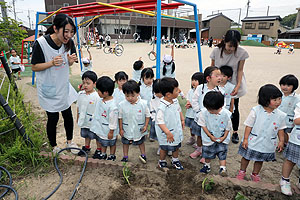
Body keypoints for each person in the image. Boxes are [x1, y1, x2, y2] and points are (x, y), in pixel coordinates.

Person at [31, 13, 79, 154]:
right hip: (48, 87)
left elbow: (69, 64)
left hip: (63, 85)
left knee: (68, 114)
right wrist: (51, 63)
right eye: (66, 31)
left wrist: (70, 61)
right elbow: (34, 67)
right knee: (53, 117)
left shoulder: (69, 43)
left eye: (71, 32)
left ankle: (70, 142)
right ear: (55, 28)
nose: (69, 35)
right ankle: (54, 147)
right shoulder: (41, 43)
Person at [236, 84, 285, 182]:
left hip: (267, 142)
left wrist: (281, 141)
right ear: (265, 100)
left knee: (260, 160)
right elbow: (248, 125)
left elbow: (281, 129)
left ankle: (255, 174)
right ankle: (242, 171)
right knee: (246, 157)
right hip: (253, 140)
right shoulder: (256, 111)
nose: (278, 102)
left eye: (280, 99)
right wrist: (245, 139)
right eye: (275, 100)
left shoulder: (280, 115)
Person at [210, 30, 249, 144]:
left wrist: (237, 85)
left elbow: (240, 70)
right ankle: (216, 129)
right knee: (217, 105)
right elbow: (212, 68)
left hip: (233, 82)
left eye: (234, 46)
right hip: (218, 82)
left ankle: (235, 132)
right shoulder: (216, 51)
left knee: (234, 107)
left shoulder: (241, 52)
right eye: (229, 46)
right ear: (225, 41)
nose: (231, 49)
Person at [190, 66, 223, 162]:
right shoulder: (200, 88)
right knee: (199, 135)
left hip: (212, 119)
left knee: (208, 137)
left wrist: (217, 115)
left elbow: (222, 105)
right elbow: (194, 100)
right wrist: (198, 111)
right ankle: (199, 149)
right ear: (208, 78)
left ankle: (206, 153)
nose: (220, 78)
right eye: (217, 76)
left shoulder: (219, 91)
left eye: (220, 75)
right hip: (200, 117)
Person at [198, 91, 232, 176]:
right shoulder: (203, 113)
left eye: (212, 110)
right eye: (208, 109)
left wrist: (224, 137)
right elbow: (203, 125)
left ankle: (223, 168)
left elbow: (228, 127)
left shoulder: (226, 114)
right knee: (208, 153)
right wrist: (210, 136)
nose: (210, 111)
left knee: (222, 152)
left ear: (220, 106)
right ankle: (207, 165)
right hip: (208, 138)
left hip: (222, 138)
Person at [155, 77, 185, 170]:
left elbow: (179, 110)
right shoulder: (162, 107)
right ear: (168, 94)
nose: (179, 91)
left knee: (176, 146)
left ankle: (175, 160)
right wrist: (167, 132)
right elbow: (160, 122)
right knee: (164, 147)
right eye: (176, 90)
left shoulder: (175, 101)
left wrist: (182, 119)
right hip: (167, 132)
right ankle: (162, 161)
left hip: (175, 129)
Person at [118, 80, 150, 163]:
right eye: (127, 96)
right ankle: (125, 156)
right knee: (125, 143)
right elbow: (120, 117)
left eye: (133, 95)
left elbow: (147, 115)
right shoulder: (122, 104)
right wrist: (121, 129)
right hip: (126, 128)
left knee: (140, 142)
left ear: (138, 93)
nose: (130, 98)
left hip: (139, 128)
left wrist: (146, 126)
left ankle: (143, 155)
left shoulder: (143, 104)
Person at [90, 76, 118, 161]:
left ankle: (112, 155)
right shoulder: (101, 100)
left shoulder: (113, 106)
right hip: (101, 127)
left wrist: (111, 131)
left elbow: (113, 120)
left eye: (98, 90)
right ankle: (103, 153)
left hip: (108, 129)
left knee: (111, 143)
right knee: (102, 142)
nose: (97, 92)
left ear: (105, 92)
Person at [76, 71, 100, 156]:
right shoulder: (80, 94)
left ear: (94, 84)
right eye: (84, 83)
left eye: (88, 83)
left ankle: (99, 149)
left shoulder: (96, 96)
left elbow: (98, 110)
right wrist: (78, 117)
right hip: (84, 119)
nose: (85, 85)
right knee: (86, 134)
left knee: (96, 135)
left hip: (93, 121)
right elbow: (78, 106)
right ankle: (87, 147)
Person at [280, 101, 300, 195]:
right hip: (297, 140)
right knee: (290, 160)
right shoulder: (299, 105)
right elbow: (296, 121)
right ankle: (284, 180)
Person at [278, 75, 300, 145]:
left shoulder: (297, 98)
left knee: (284, 131)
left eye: (288, 85)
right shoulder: (278, 94)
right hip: (278, 117)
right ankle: (282, 142)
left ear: (294, 86)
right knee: (279, 131)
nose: (285, 87)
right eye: (283, 84)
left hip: (289, 120)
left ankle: (285, 143)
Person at [185, 72, 204, 146]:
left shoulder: (201, 91)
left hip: (196, 113)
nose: (193, 82)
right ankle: (192, 138)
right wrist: (188, 103)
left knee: (197, 128)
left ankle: (198, 141)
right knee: (191, 127)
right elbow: (188, 98)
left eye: (196, 80)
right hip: (190, 113)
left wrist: (192, 105)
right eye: (192, 80)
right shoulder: (191, 90)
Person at [149, 79, 162, 146]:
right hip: (156, 119)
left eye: (160, 92)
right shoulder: (153, 99)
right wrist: (154, 118)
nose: (158, 94)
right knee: (159, 135)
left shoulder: (167, 98)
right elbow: (152, 110)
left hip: (165, 120)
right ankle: (161, 146)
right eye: (156, 92)